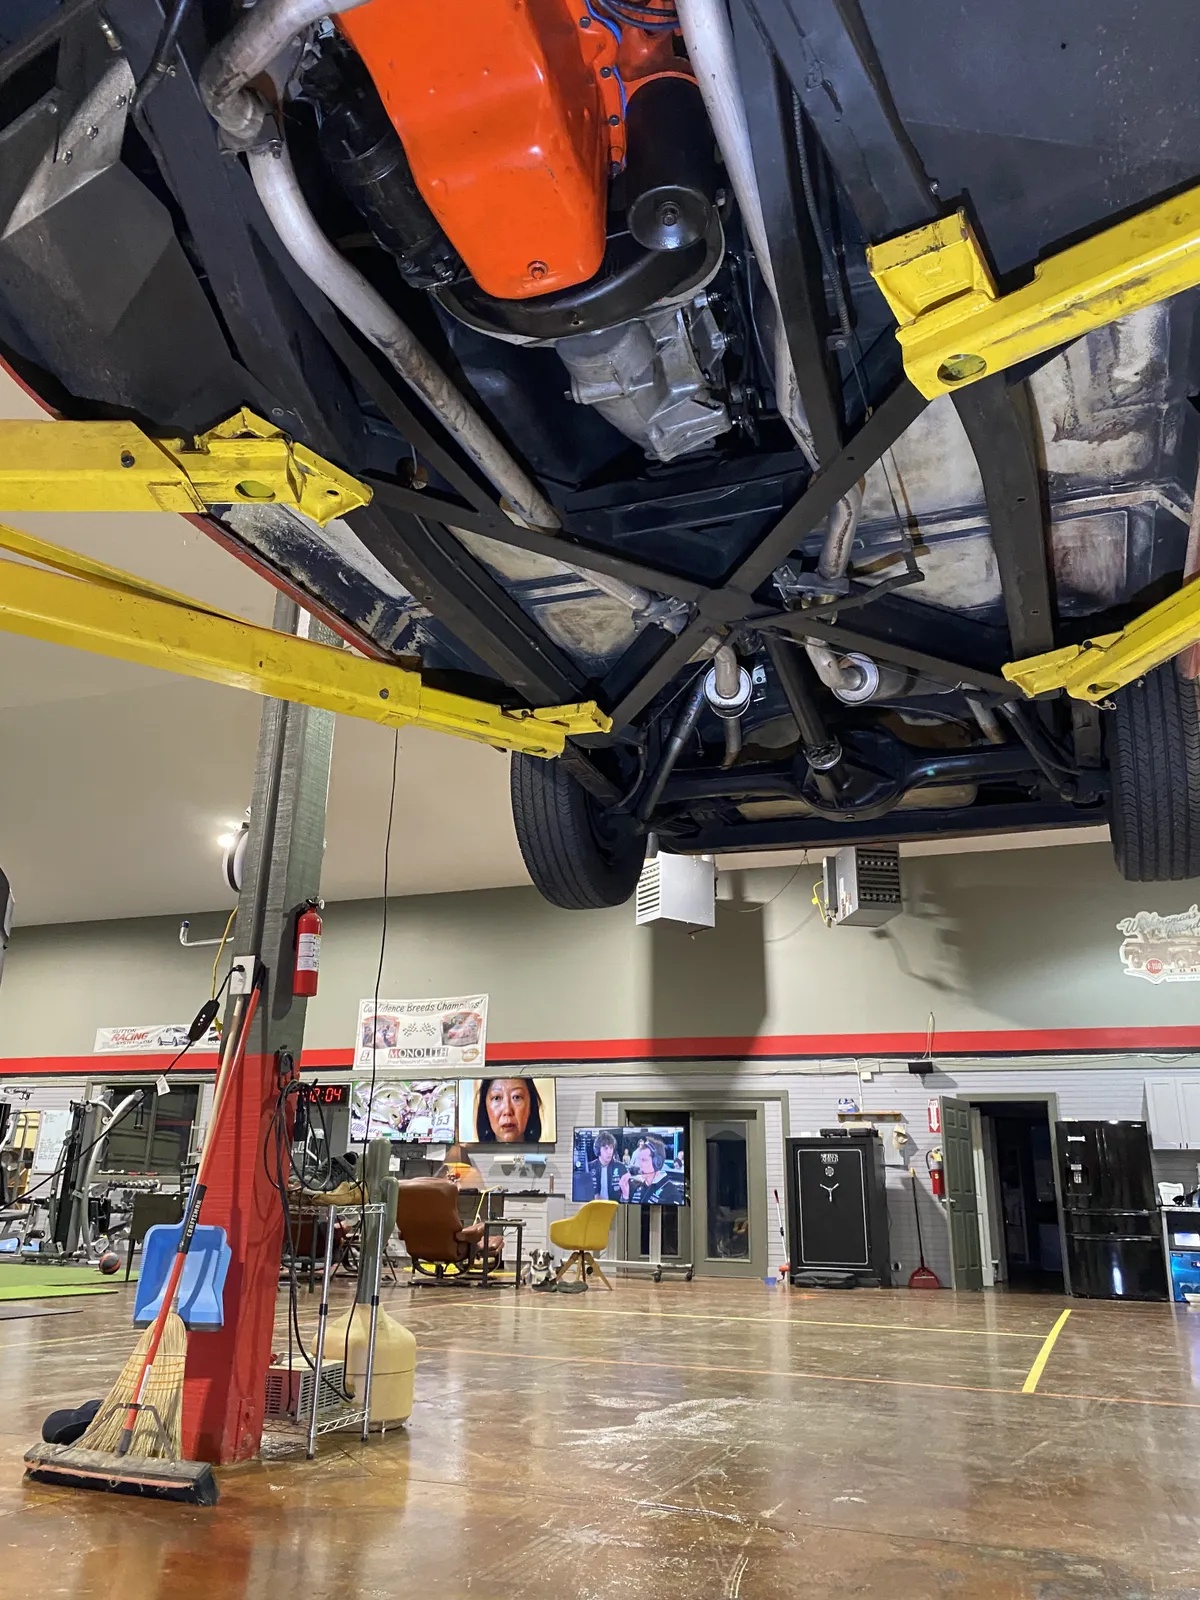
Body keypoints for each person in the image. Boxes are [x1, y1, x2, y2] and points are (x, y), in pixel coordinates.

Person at [474, 1077, 543, 1143]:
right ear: (485, 1107)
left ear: (531, 1105)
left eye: (516, 1097)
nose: (507, 1111)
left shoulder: (546, 1154)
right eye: (497, 1098)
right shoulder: (470, 1155)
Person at [619, 1137, 684, 1206]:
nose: (639, 1165)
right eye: (639, 1160)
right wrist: (625, 1196)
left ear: (657, 1163)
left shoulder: (671, 1193)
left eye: (644, 1160)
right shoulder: (636, 1188)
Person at [587, 1130, 626, 1202]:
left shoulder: (621, 1168)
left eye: (611, 1148)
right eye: (606, 1148)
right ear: (598, 1149)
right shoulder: (589, 1168)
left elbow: (626, 1196)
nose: (609, 1152)